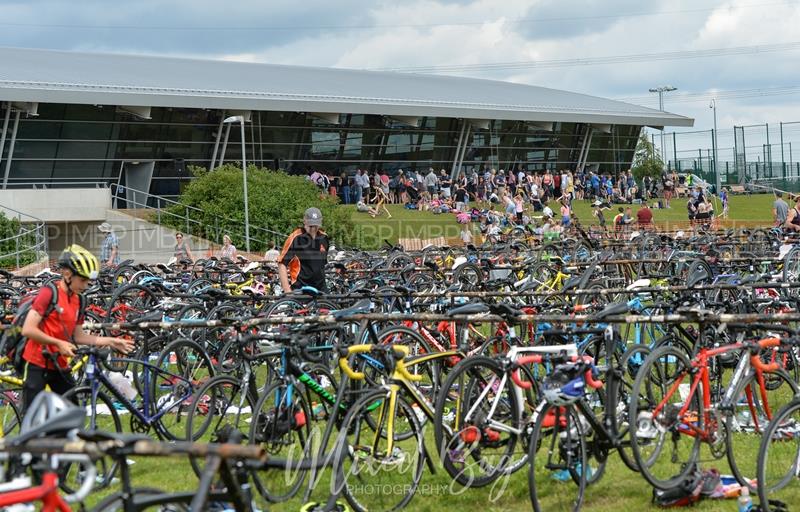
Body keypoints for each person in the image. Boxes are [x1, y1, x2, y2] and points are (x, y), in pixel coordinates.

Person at [21, 245, 134, 411]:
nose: (86, 285)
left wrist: (111, 341)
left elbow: (79, 336)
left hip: (59, 364)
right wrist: (58, 343)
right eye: (82, 280)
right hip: (36, 363)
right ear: (67, 274)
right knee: (32, 419)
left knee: (73, 414)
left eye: (88, 281)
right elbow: (28, 330)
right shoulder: (48, 294)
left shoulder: (79, 301)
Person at [278, 207, 329, 292]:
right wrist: (287, 290)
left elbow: (322, 264)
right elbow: (281, 263)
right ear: (304, 222)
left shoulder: (324, 238)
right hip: (301, 288)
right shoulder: (295, 238)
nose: (313, 228)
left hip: (321, 288)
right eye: (311, 225)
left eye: (316, 225)